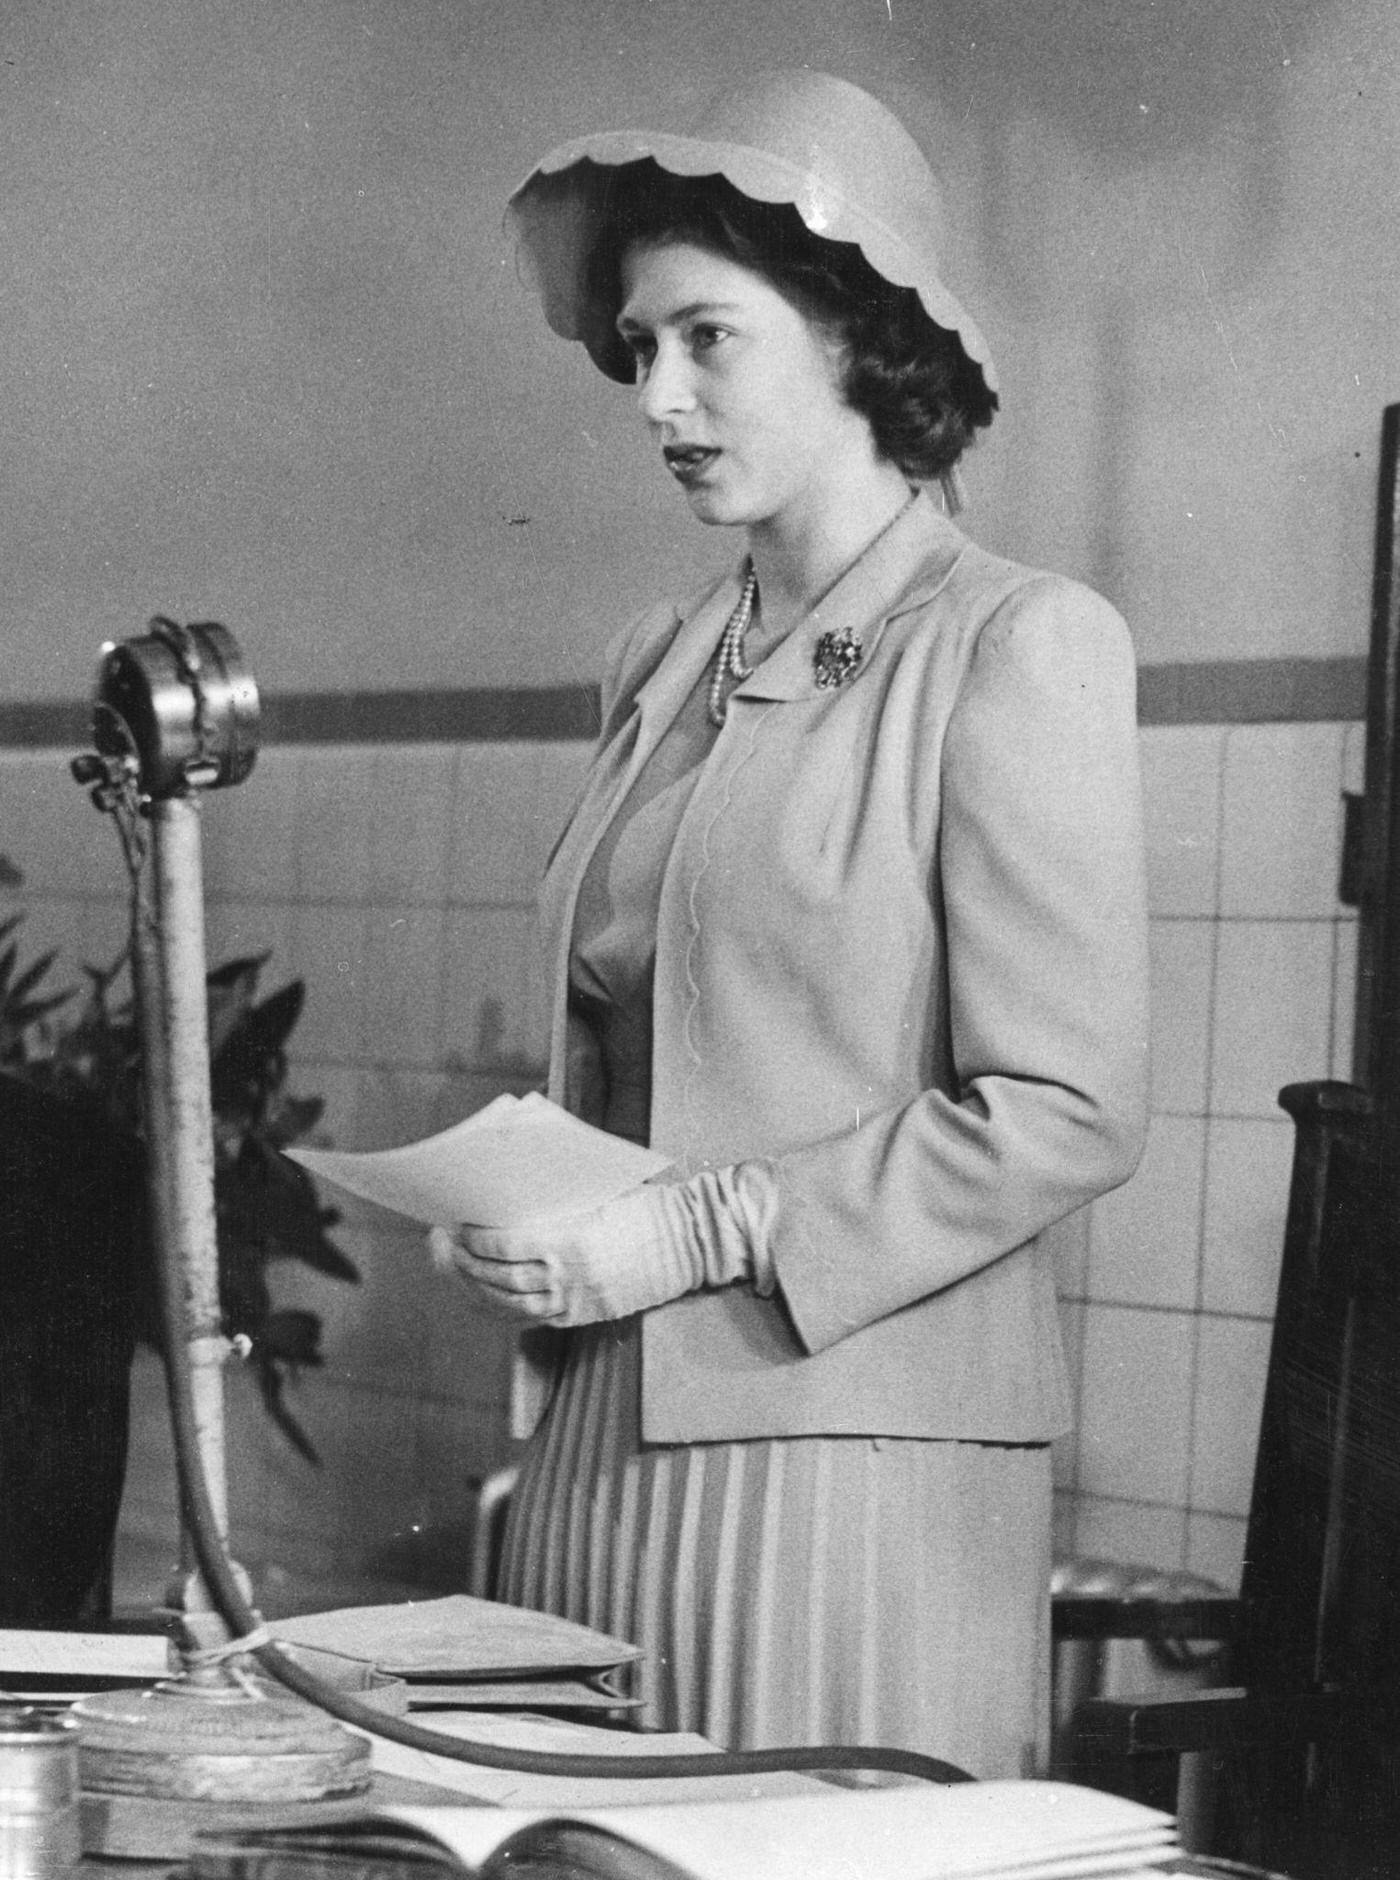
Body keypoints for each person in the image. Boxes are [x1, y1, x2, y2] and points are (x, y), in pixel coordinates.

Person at [433, 68, 1149, 1780]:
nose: (657, 396)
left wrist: (699, 1233)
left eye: (706, 339)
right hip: (605, 1427)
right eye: (637, 349)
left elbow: (1066, 1112)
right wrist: (533, 1215)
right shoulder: (659, 656)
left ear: (851, 331)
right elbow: (641, 1036)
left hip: (849, 1453)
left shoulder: (1013, 643)